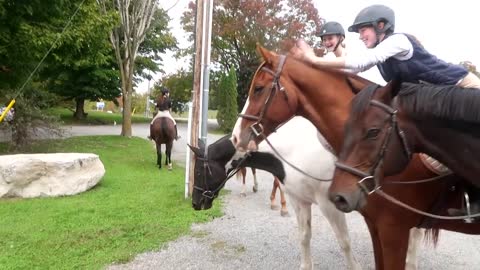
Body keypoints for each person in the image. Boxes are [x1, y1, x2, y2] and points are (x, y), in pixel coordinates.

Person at [292, 4, 480, 217]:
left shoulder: (399, 41)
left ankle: (475, 199)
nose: (361, 36)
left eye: (364, 30)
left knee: (455, 147)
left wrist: (313, 60)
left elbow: (361, 63)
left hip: (463, 88)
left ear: (381, 25)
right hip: (440, 98)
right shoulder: (383, 57)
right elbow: (354, 69)